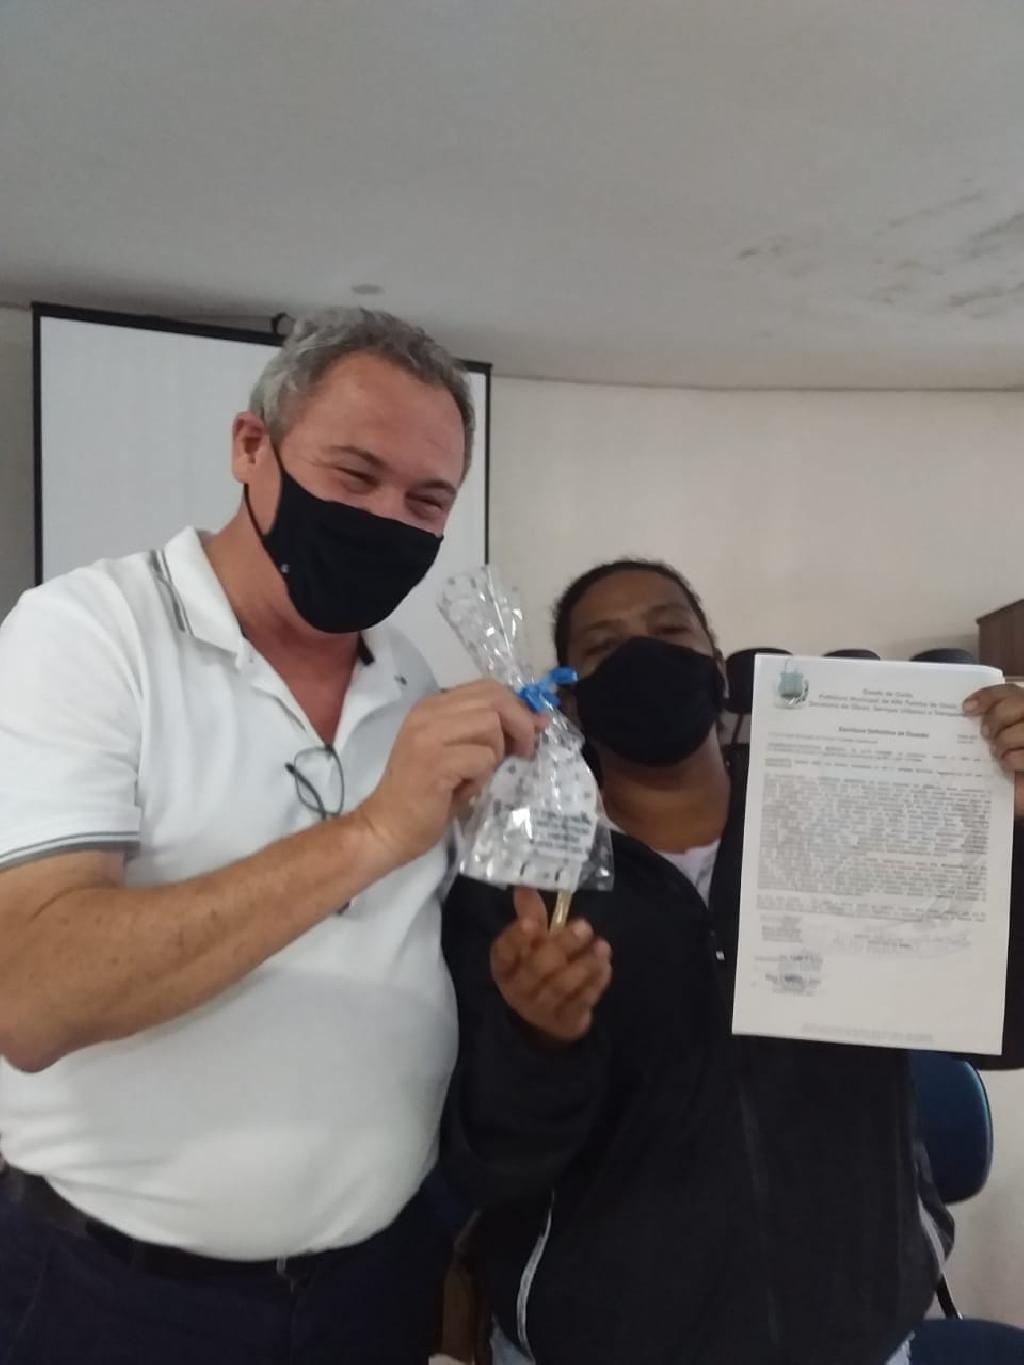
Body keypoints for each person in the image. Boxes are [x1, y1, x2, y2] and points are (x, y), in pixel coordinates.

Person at [0, 308, 542, 1364]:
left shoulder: (410, 680)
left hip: (375, 1285)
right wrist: (373, 830)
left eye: (427, 500)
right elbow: (31, 996)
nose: (388, 518)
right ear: (252, 447)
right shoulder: (86, 636)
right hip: (118, 1300)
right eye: (355, 474)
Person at [442, 558, 1024, 1365]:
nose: (643, 652)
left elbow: (1002, 1022)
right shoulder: (524, 881)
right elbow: (489, 1161)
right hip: (603, 1342)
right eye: (604, 646)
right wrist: (538, 1041)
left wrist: (1008, 830)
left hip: (855, 1335)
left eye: (669, 629)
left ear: (718, 667)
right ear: (567, 697)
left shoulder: (850, 823)